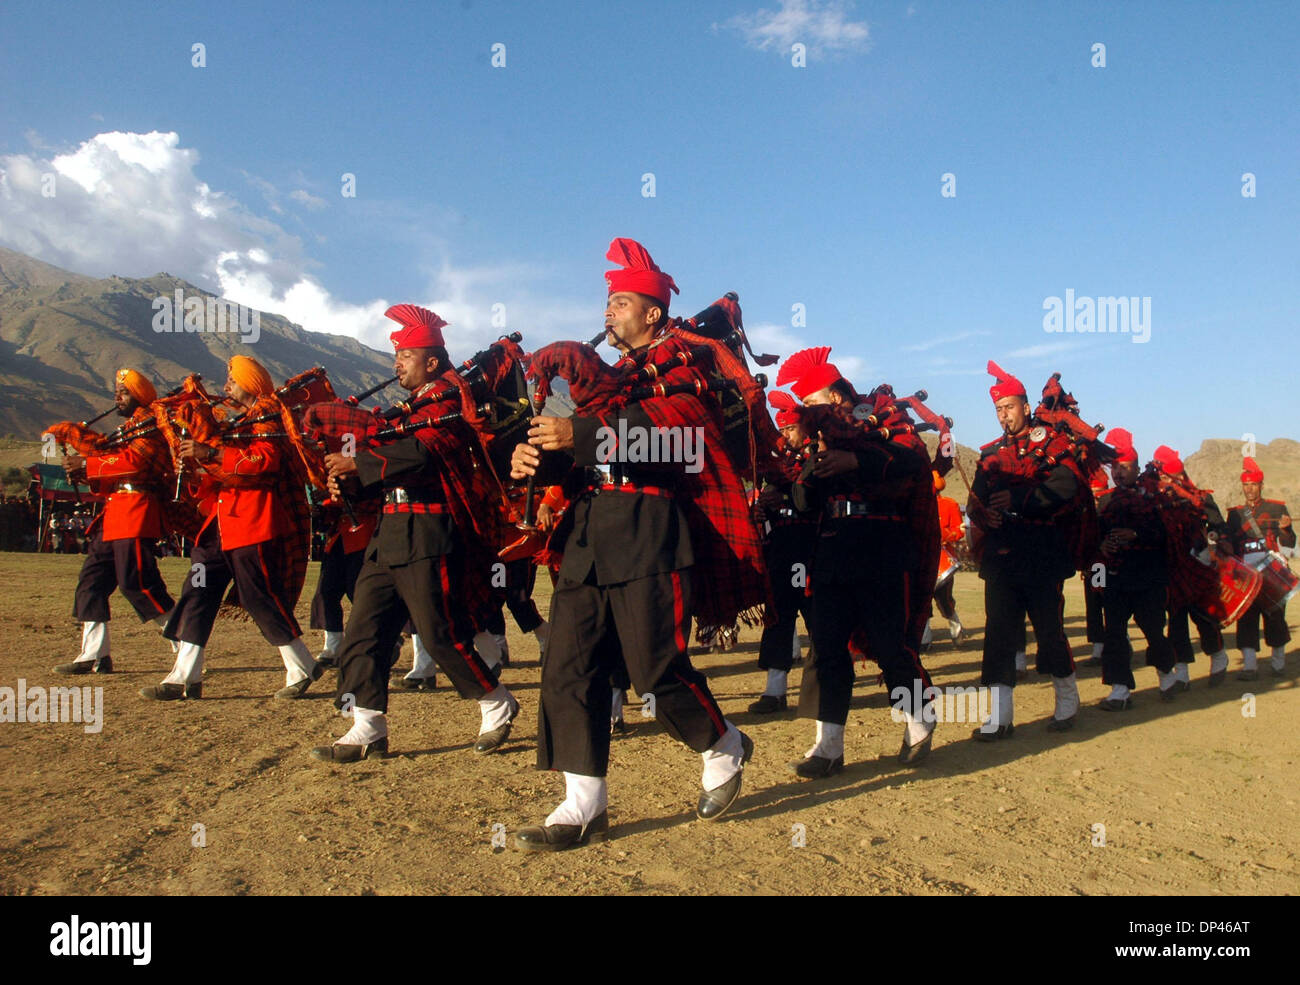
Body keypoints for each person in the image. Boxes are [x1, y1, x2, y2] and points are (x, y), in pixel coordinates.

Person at [508, 238, 760, 850]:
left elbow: (677, 440)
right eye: (606, 302)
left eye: (619, 301)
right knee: (569, 665)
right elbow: (585, 459)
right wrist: (538, 461)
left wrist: (582, 432)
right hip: (590, 534)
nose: (607, 312)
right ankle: (583, 803)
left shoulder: (685, 366)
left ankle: (723, 742)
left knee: (654, 668)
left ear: (652, 312)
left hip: (651, 531)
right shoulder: (610, 384)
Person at [312, 304, 518, 761]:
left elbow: (424, 454)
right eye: (395, 357)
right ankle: (367, 726)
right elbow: (386, 456)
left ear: (430, 361)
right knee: (365, 629)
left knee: (440, 632)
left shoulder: (449, 404)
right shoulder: (406, 409)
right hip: (389, 532)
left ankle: (496, 702)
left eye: (404, 357)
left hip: (429, 531)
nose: (396, 365)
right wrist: (346, 477)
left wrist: (359, 463)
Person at [777, 346, 939, 776]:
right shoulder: (818, 438)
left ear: (833, 398)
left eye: (810, 404)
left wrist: (857, 459)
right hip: (832, 547)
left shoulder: (883, 417)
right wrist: (812, 472)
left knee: (890, 645)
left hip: (883, 545)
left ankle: (918, 718)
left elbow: (913, 459)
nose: (806, 413)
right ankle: (827, 746)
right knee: (827, 648)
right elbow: (803, 500)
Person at [145, 356, 321, 702]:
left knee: (260, 597)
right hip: (222, 522)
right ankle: (185, 674)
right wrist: (196, 468)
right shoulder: (240, 422)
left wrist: (208, 452)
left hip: (254, 521)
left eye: (233, 381)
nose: (226, 388)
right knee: (197, 589)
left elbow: (261, 463)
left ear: (251, 385)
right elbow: (224, 471)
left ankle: (302, 664)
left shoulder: (270, 417)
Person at [966, 361, 1084, 738]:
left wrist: (1018, 497)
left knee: (1049, 631)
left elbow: (1067, 486)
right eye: (999, 410)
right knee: (999, 634)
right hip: (1001, 557)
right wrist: (986, 517)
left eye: (1010, 407)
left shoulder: (1052, 443)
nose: (1004, 416)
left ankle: (1067, 700)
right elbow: (976, 504)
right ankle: (1001, 718)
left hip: (1041, 554)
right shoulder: (990, 455)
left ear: (1026, 406)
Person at [54, 369, 176, 675]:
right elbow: (113, 466)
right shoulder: (130, 429)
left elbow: (135, 463)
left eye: (123, 392)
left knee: (139, 584)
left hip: (137, 511)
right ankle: (94, 655)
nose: (116, 397)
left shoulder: (151, 426)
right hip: (114, 513)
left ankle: (189, 642)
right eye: (116, 392)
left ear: (139, 396)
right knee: (91, 583)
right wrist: (85, 469)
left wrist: (88, 464)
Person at [1093, 429, 1179, 709]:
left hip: (1148, 578)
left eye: (1125, 468)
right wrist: (1102, 546)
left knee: (1154, 630)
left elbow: (1168, 534)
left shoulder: (1155, 499)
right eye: (1115, 468)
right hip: (1116, 578)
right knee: (1114, 633)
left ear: (1137, 468)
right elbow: (1095, 537)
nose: (1118, 473)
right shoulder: (1105, 501)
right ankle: (1119, 690)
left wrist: (1137, 535)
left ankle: (1166, 675)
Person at [748, 390, 817, 713]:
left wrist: (786, 500)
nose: (785, 435)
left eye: (791, 428)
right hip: (784, 548)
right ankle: (775, 690)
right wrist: (765, 509)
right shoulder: (780, 465)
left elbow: (815, 501)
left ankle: (823, 688)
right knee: (778, 618)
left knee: (819, 620)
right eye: (783, 429)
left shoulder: (821, 455)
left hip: (814, 547)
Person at [1152, 445, 1231, 686]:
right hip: (1172, 567)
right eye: (1162, 475)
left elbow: (1218, 527)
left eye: (1169, 475)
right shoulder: (1156, 501)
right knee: (1175, 620)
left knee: (1203, 616)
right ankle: (1182, 672)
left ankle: (1218, 657)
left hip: (1198, 564)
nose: (1165, 480)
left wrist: (1210, 545)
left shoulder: (1201, 498)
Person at [1225, 457, 1294, 679]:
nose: (1249, 489)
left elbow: (1290, 542)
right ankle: (1249, 667)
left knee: (1275, 617)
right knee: (1247, 619)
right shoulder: (1235, 514)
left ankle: (1278, 664)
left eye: (1253, 484)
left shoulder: (1276, 507)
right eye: (1246, 485)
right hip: (1247, 573)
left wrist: (1286, 529)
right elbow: (1230, 544)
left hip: (1271, 570)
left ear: (1261, 485)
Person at [927, 470, 966, 646]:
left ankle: (955, 626)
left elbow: (959, 530)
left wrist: (945, 535)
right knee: (920, 602)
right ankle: (924, 639)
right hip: (920, 560)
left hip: (943, 560)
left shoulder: (950, 505)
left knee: (944, 600)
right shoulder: (913, 505)